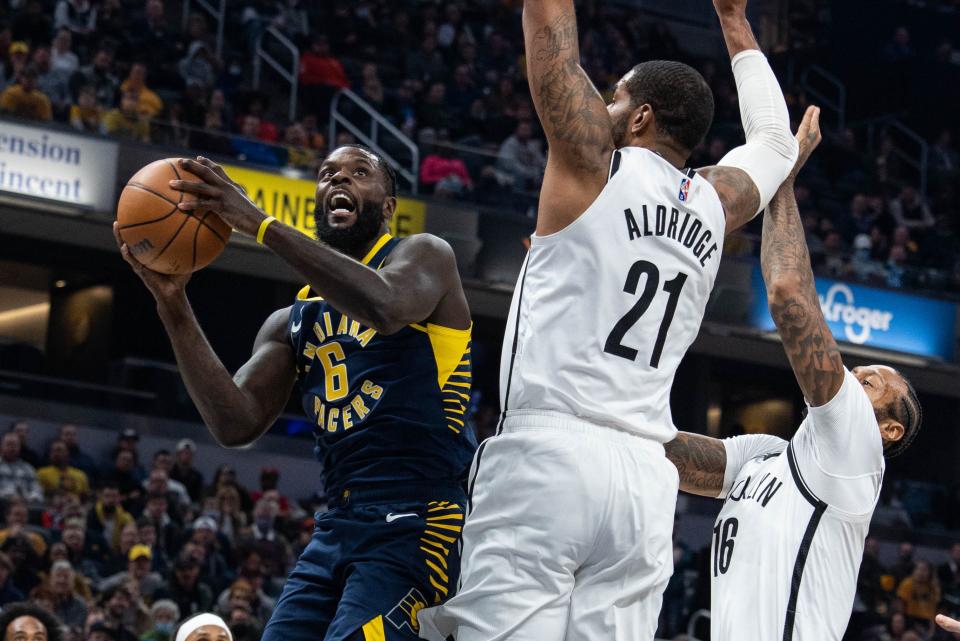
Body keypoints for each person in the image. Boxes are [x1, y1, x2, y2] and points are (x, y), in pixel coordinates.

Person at [421, 0, 797, 638]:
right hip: (645, 481)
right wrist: (735, 21)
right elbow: (775, 143)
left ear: (641, 114)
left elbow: (548, 24)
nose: (606, 106)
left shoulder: (592, 161)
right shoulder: (713, 204)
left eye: (615, 97)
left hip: (549, 452)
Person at [114, 143, 476, 641]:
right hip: (337, 524)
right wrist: (173, 304)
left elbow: (386, 306)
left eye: (359, 172)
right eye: (327, 174)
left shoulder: (425, 256)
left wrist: (259, 223)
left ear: (388, 206)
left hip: (420, 517)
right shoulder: (291, 320)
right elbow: (235, 423)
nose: (339, 180)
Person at [662, 107, 923, 641]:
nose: (852, 377)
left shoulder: (857, 456)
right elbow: (669, 456)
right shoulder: (765, 457)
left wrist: (783, 171)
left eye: (870, 382)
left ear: (889, 430)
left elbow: (787, 292)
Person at [0, 432, 43, 504]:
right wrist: (9, 497)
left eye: (15, 445)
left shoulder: (28, 468)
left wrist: (31, 498)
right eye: (8, 444)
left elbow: (37, 489)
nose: (12, 448)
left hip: (26, 505)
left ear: (19, 447)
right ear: (1, 447)